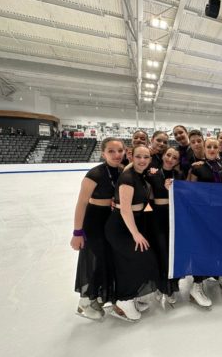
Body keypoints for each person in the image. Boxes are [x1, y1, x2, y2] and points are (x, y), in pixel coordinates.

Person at [71, 137, 125, 320]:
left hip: (111, 221)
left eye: (120, 151)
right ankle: (85, 302)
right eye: (111, 151)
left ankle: (101, 297)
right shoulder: (94, 174)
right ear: (103, 153)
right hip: (94, 221)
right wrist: (77, 232)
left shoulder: (121, 170)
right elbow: (81, 203)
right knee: (98, 260)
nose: (116, 154)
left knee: (110, 260)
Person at [105, 145, 160, 321]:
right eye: (138, 157)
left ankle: (129, 296)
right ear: (132, 157)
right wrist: (136, 234)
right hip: (121, 227)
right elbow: (125, 210)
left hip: (132, 224)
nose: (142, 160)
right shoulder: (128, 178)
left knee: (129, 263)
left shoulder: (140, 175)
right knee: (143, 258)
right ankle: (123, 299)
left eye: (146, 157)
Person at [189, 137, 222, 307]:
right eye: (209, 146)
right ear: (204, 148)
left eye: (215, 147)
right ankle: (197, 285)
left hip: (219, 213)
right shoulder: (197, 167)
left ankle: (221, 276)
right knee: (201, 247)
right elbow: (189, 190)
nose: (212, 149)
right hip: (202, 214)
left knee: (220, 245)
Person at [145, 147, 184, 306]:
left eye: (174, 157)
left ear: (177, 161)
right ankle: (161, 286)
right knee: (161, 251)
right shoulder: (152, 173)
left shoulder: (179, 175)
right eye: (168, 155)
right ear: (162, 156)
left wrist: (173, 191)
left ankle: (171, 287)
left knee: (172, 252)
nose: (170, 159)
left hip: (173, 216)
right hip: (157, 216)